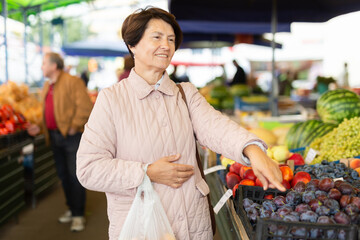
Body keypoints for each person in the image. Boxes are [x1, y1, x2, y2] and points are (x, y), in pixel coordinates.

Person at [76, 7, 285, 240]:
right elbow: (89, 169)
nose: (166, 45)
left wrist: (253, 149)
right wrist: (146, 172)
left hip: (193, 226)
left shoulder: (184, 93)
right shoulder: (112, 99)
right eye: (157, 37)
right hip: (143, 227)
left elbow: (216, 127)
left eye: (171, 39)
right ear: (132, 45)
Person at [27, 52, 93, 232]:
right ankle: (72, 210)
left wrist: (74, 125)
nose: (41, 67)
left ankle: (79, 215)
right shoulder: (48, 85)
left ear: (54, 66)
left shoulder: (73, 81)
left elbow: (86, 108)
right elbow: (49, 111)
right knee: (63, 175)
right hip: (54, 137)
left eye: (43, 63)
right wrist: (39, 127)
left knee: (74, 176)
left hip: (71, 137)